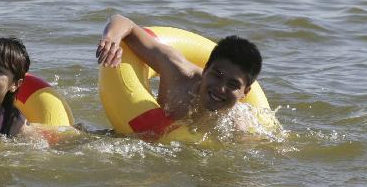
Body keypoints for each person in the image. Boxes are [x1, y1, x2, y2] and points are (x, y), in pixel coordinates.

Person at [96, 14, 262, 125]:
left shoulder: (239, 124)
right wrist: (110, 39)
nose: (220, 88)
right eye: (217, 75)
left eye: (233, 85)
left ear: (245, 92)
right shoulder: (176, 72)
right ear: (205, 70)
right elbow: (124, 22)